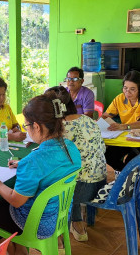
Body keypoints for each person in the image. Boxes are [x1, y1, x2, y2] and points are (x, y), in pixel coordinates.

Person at [0, 93, 81, 255]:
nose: (26, 130)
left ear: (37, 127)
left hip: (37, 223)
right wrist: (22, 164)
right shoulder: (70, 147)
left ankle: (15, 249)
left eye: (26, 126)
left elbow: (15, 201)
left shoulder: (34, 161)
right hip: (59, 216)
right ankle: (18, 248)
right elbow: (49, 167)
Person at [45, 86, 107, 242]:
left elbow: (49, 161)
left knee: (48, 182)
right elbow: (103, 148)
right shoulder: (88, 120)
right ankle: (77, 224)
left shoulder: (61, 128)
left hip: (81, 191)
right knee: (73, 173)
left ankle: (56, 237)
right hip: (100, 184)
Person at [102, 70, 140, 171]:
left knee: (131, 160)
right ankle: (129, 181)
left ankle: (132, 181)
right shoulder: (119, 99)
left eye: (132, 89)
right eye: (125, 88)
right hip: (128, 137)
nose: (127, 92)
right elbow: (106, 116)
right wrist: (95, 123)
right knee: (108, 156)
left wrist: (124, 126)